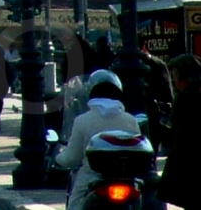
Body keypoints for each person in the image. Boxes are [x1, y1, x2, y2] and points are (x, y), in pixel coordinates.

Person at [56, 69, 140, 210]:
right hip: (126, 179)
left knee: (75, 204)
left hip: (91, 177)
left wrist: (58, 158)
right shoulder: (131, 120)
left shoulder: (82, 120)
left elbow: (72, 158)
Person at [160, 54, 201, 208]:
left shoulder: (188, 99)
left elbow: (183, 133)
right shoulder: (189, 96)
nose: (174, 81)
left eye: (175, 76)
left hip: (190, 166)